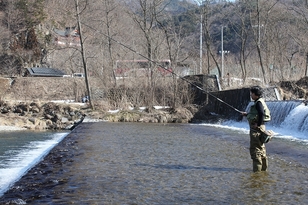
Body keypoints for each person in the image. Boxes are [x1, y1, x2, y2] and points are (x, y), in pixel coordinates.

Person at [241, 86, 271, 172]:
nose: (251, 95)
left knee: (255, 151)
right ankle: (263, 170)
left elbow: (261, 113)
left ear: (256, 94)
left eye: (252, 93)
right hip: (261, 128)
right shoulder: (260, 101)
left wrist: (257, 125)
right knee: (261, 149)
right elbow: (257, 114)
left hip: (257, 130)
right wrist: (247, 114)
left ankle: (257, 173)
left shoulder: (258, 103)